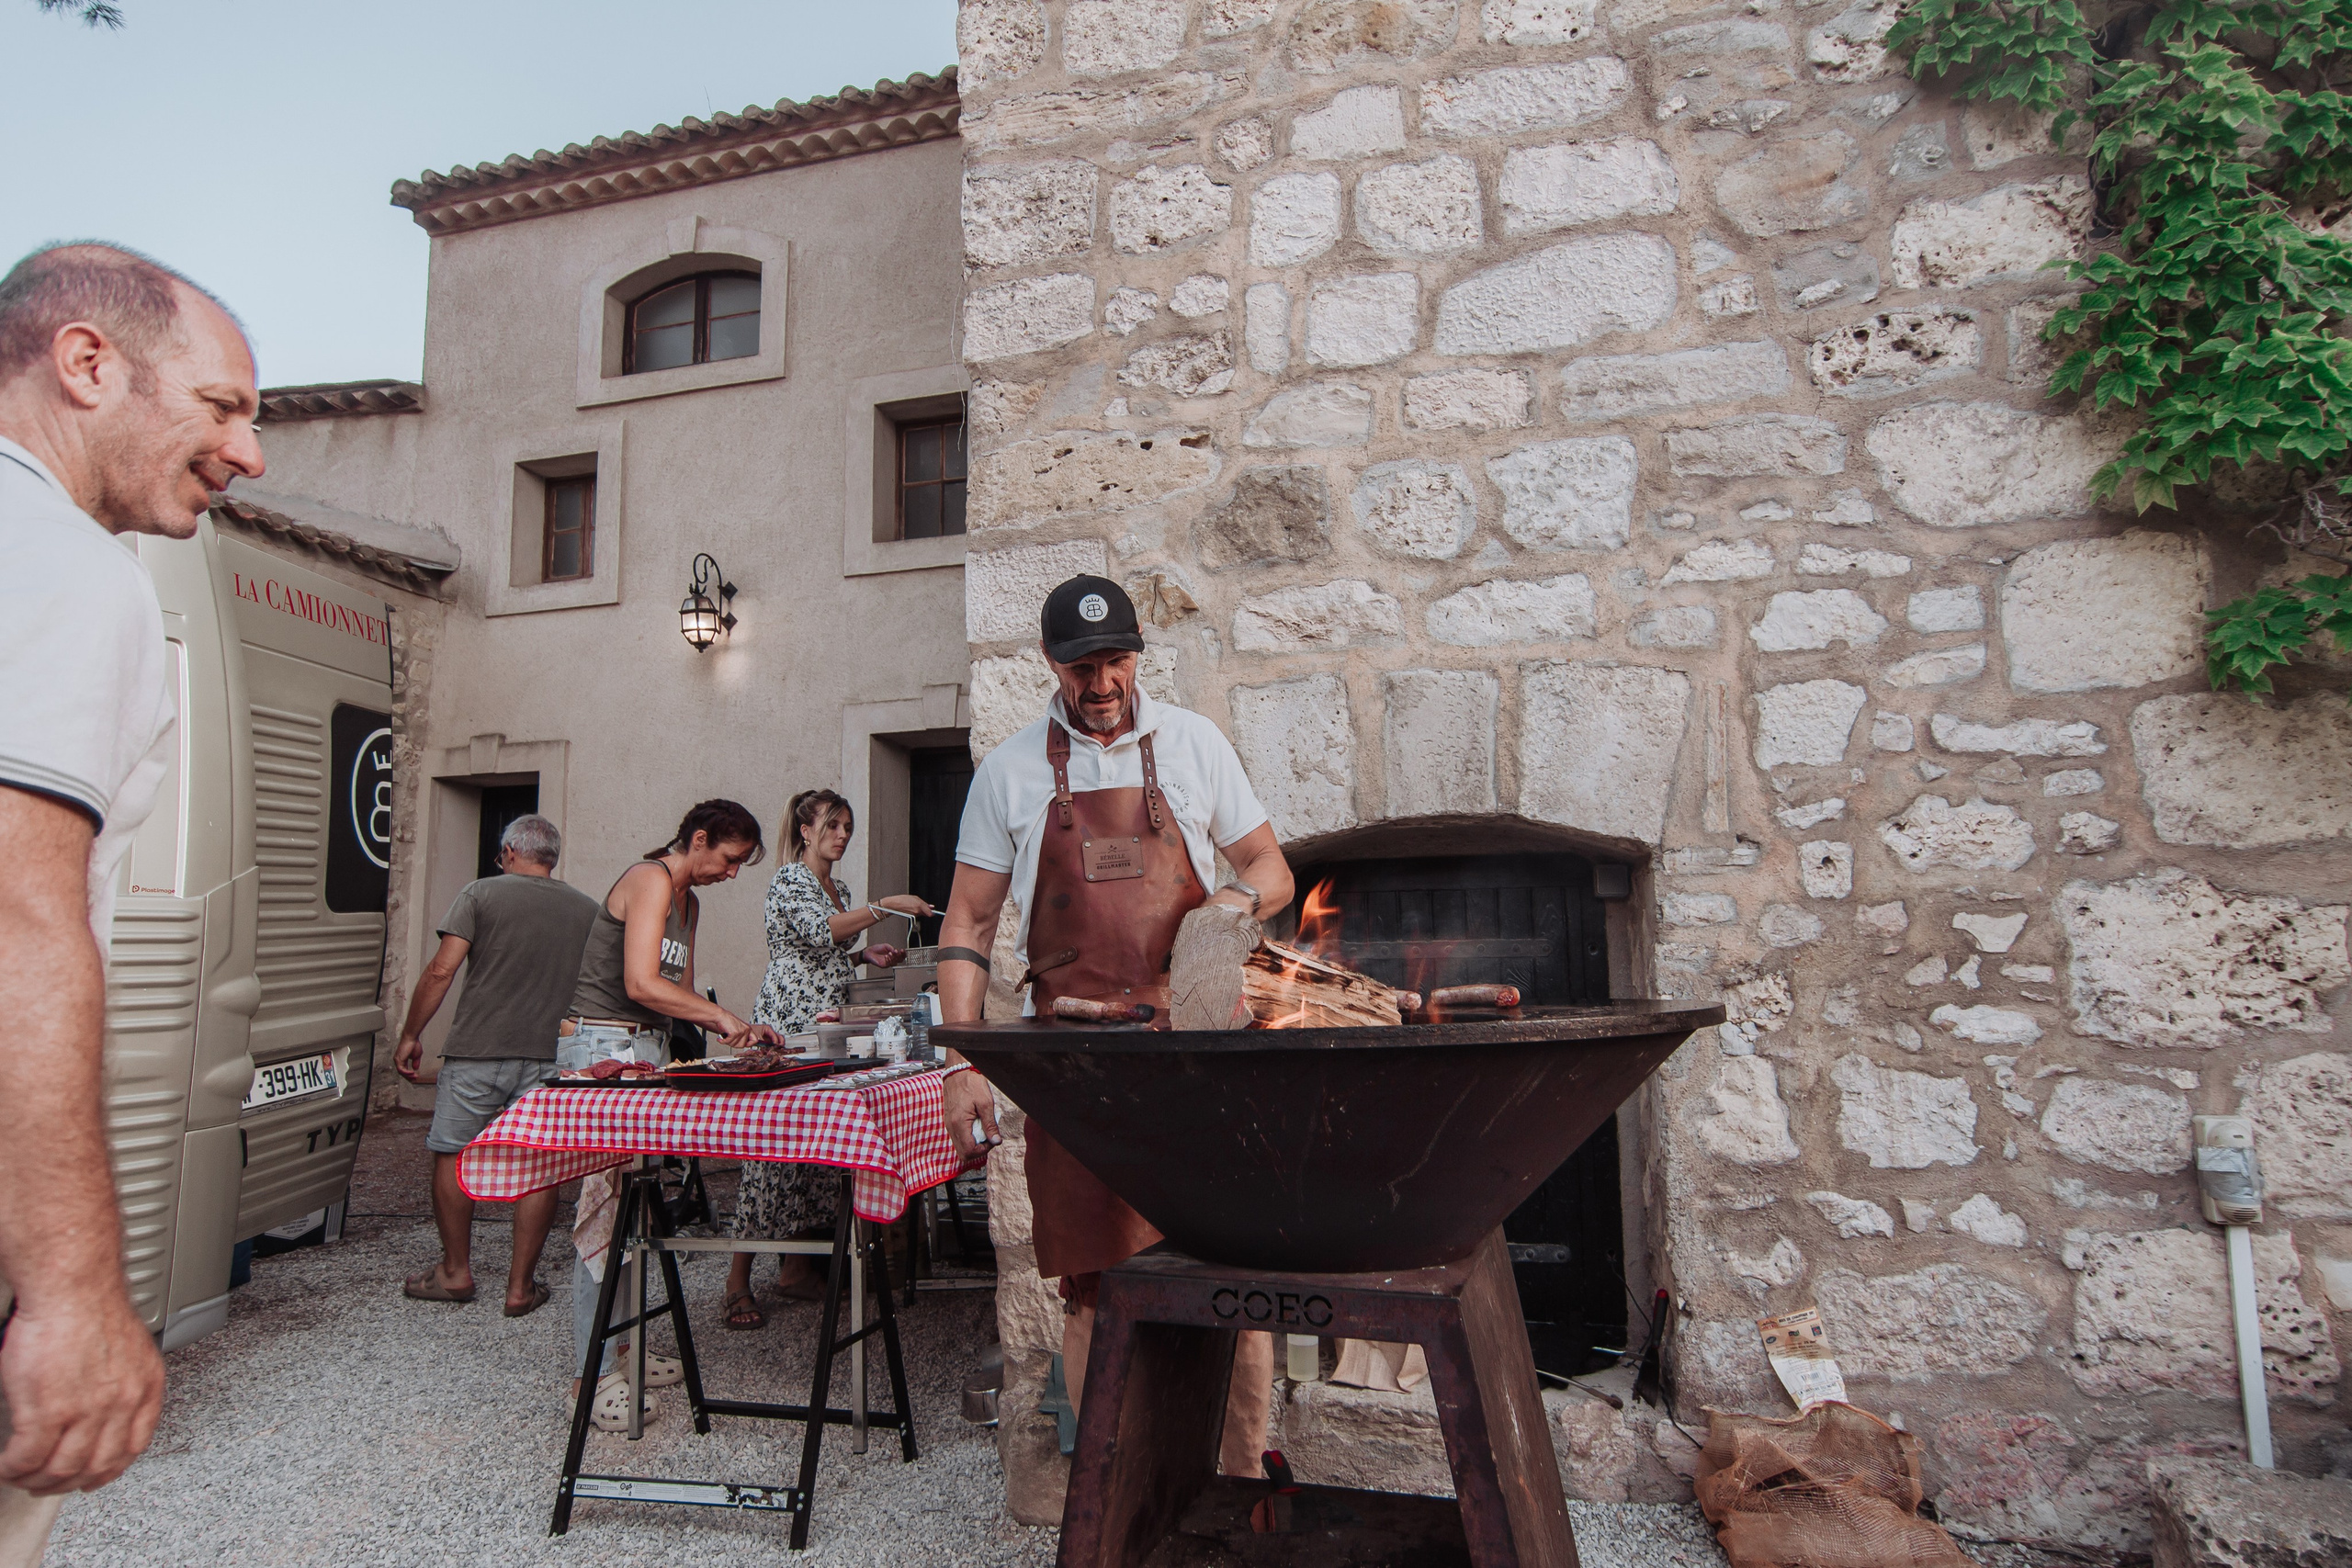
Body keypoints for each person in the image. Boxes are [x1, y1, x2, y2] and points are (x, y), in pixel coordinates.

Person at [0, 242, 263, 1559]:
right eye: (223, 406)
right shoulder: (58, 564)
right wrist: (72, 1289)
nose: (250, 452)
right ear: (88, 363)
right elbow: (14, 918)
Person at [934, 576, 1295, 1479]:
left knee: (1230, 1270)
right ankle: (1115, 1493)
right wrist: (960, 1065)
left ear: (1138, 656)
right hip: (1076, 1075)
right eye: (1081, 666)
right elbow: (967, 925)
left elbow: (1268, 864)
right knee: (1096, 1279)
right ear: (1051, 666)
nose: (1101, 683)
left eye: (1117, 661)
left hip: (1198, 1055)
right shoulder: (1010, 771)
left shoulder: (1194, 744)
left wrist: (1234, 901)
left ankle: (1236, 1481)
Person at [561, 799, 779, 1430]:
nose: (732, 873)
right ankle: (591, 1373)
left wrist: (732, 1025)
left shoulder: (691, 902)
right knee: (602, 1210)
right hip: (604, 1045)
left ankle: (624, 1347)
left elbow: (673, 995)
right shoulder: (650, 879)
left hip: (644, 1049)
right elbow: (639, 981)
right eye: (730, 859)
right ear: (700, 838)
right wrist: (719, 1017)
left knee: (635, 1206)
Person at [719, 789, 933, 1330]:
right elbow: (814, 933)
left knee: (816, 1148)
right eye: (834, 826)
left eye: (848, 828)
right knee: (770, 1148)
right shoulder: (790, 879)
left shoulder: (837, 888)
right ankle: (736, 1281)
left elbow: (828, 944)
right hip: (788, 1019)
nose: (841, 836)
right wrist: (888, 906)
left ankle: (796, 1270)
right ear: (806, 829)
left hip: (827, 1020)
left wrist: (865, 953)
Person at [394, 814, 599, 1316]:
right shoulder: (586, 909)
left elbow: (443, 969)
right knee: (539, 1164)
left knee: (453, 1153)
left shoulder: (479, 894)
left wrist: (411, 1033)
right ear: (552, 857)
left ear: (509, 852)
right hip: (549, 1054)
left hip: (478, 1050)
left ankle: (455, 1272)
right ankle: (520, 1287)